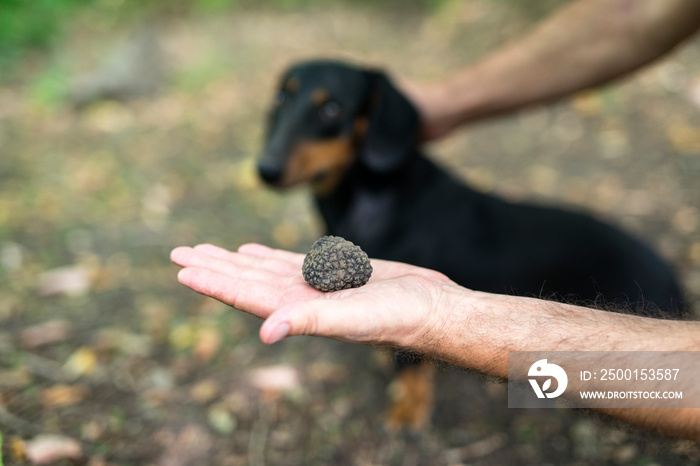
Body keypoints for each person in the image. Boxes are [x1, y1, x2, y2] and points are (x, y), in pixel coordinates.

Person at [171, 0, 700, 440]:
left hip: (644, 297)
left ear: (370, 123)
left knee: (564, 386)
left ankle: (422, 387)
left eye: (330, 115)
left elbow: (677, 385)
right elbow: (636, 9)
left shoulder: (404, 214)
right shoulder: (381, 199)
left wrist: (444, 334)